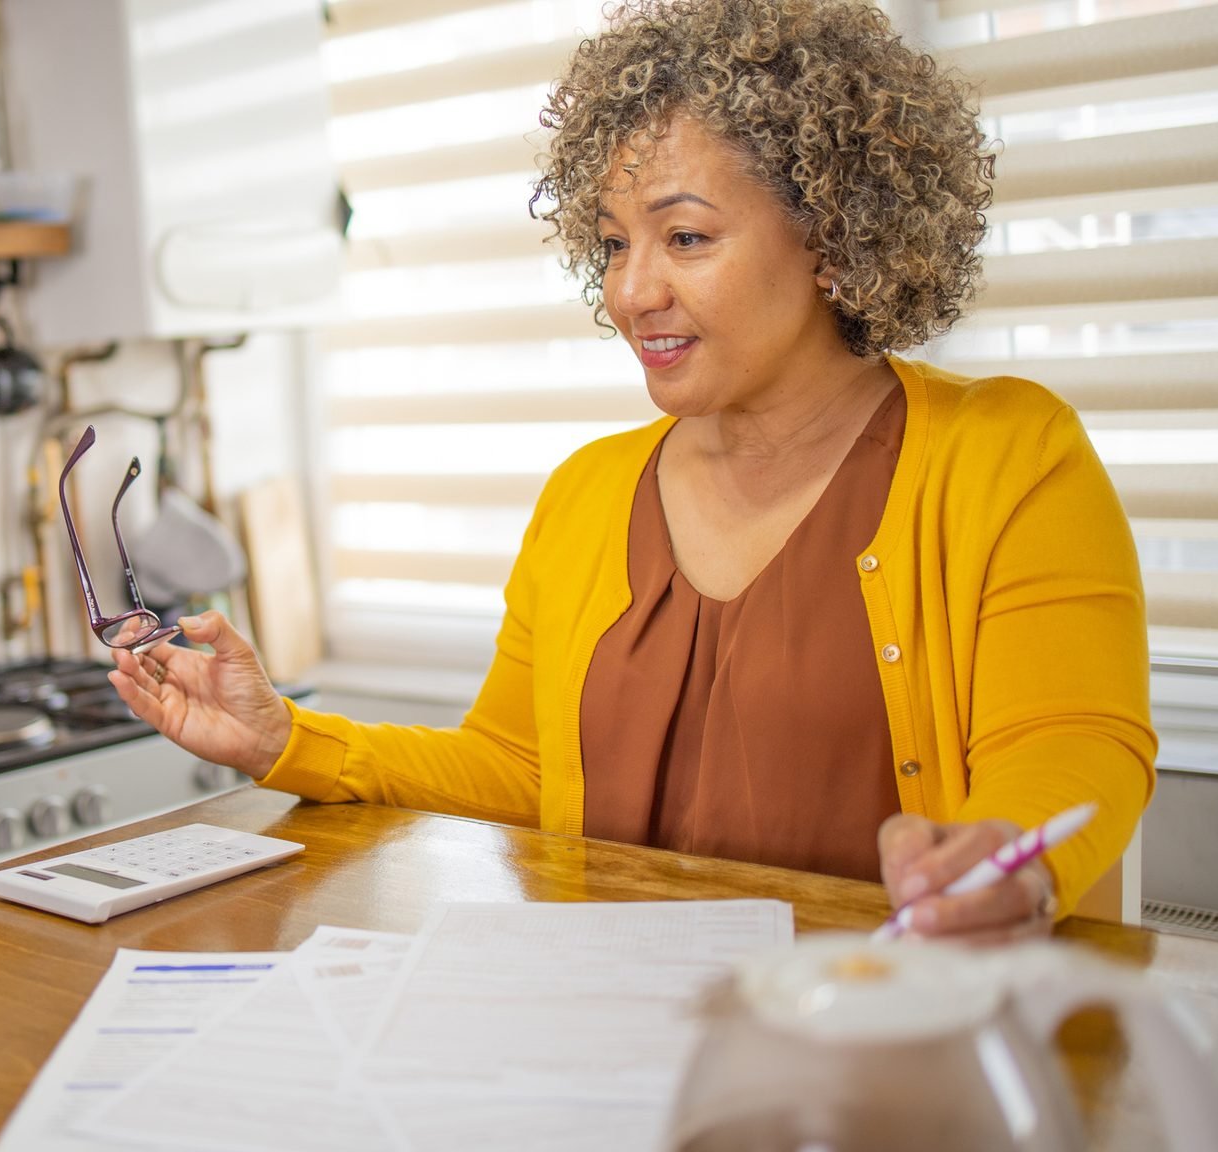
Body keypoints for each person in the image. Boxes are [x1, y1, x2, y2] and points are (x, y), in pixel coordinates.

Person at [107, 0, 1153, 942]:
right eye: (612, 244)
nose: (632, 289)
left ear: (833, 237)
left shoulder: (1009, 455)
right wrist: (287, 738)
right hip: (615, 1045)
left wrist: (999, 857)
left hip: (881, 1039)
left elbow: (1073, 742)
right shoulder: (587, 494)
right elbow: (521, 770)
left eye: (686, 237)